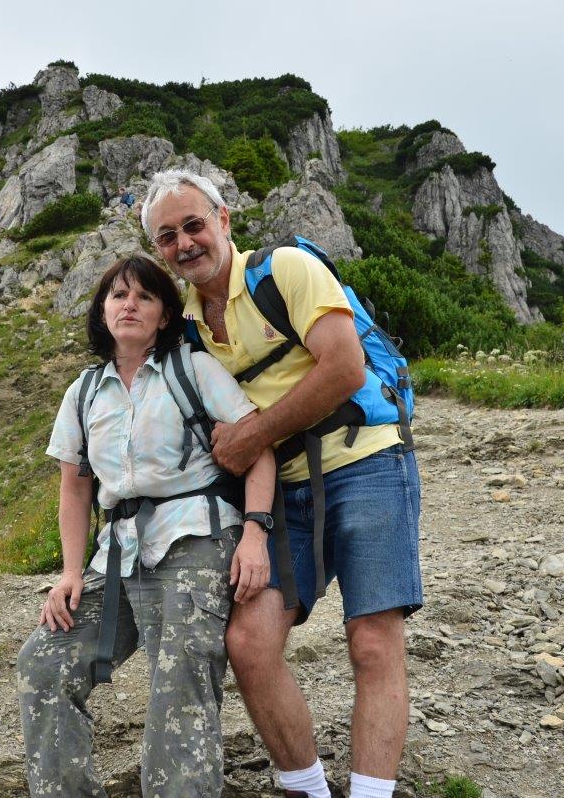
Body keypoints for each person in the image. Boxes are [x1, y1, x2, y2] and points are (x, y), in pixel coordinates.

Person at [143, 169, 423, 798]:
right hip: (279, 494)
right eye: (167, 236)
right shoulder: (182, 325)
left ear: (224, 221)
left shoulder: (288, 270)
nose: (185, 243)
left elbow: (345, 368)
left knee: (372, 642)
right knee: (248, 643)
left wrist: (253, 435)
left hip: (368, 460)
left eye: (193, 224)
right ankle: (310, 789)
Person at [17, 254, 277, 798]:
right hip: (117, 549)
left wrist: (255, 533)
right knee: (43, 662)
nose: (129, 304)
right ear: (102, 312)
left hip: (196, 537)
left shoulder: (193, 369)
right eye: (117, 296)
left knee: (177, 678)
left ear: (164, 316)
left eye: (144, 296)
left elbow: (258, 450)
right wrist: (69, 571)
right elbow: (75, 484)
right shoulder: (84, 391)